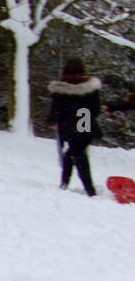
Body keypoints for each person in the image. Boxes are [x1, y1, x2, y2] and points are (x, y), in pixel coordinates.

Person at [46, 57, 104, 197]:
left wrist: (53, 121)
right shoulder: (90, 87)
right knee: (73, 154)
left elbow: (56, 108)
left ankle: (88, 190)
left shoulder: (61, 89)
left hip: (69, 124)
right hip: (84, 119)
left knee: (77, 155)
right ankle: (66, 184)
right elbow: (95, 109)